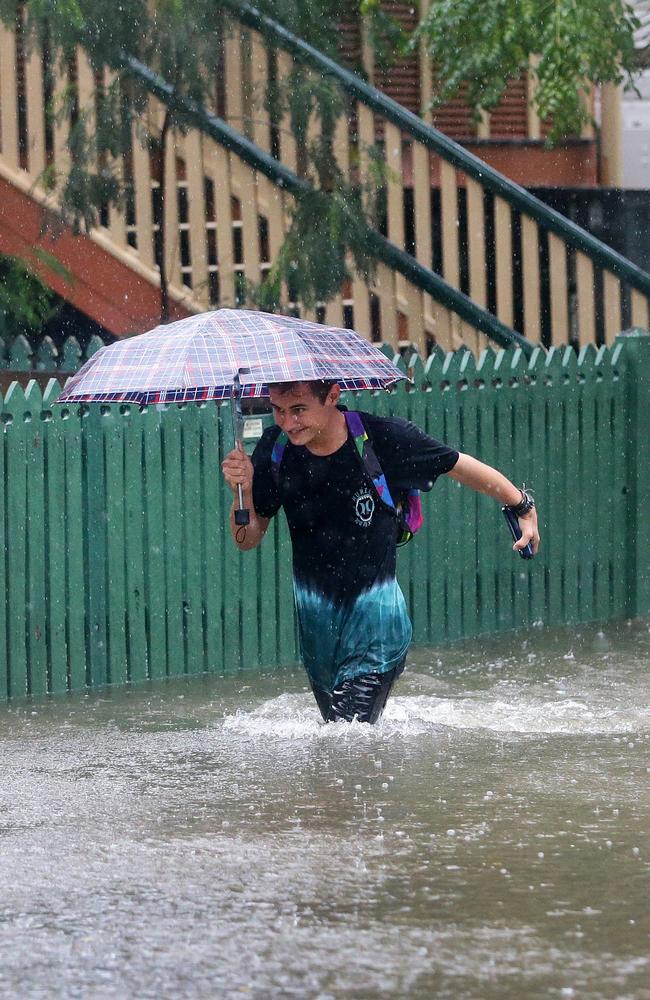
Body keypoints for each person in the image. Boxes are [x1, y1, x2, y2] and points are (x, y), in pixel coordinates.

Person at [221, 379, 540, 725]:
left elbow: (458, 466)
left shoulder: (381, 439)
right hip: (318, 637)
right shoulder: (276, 448)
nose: (288, 422)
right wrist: (245, 491)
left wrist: (521, 505)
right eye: (278, 411)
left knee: (343, 745)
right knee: (342, 745)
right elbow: (247, 539)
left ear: (332, 396)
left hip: (377, 632)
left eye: (298, 410)